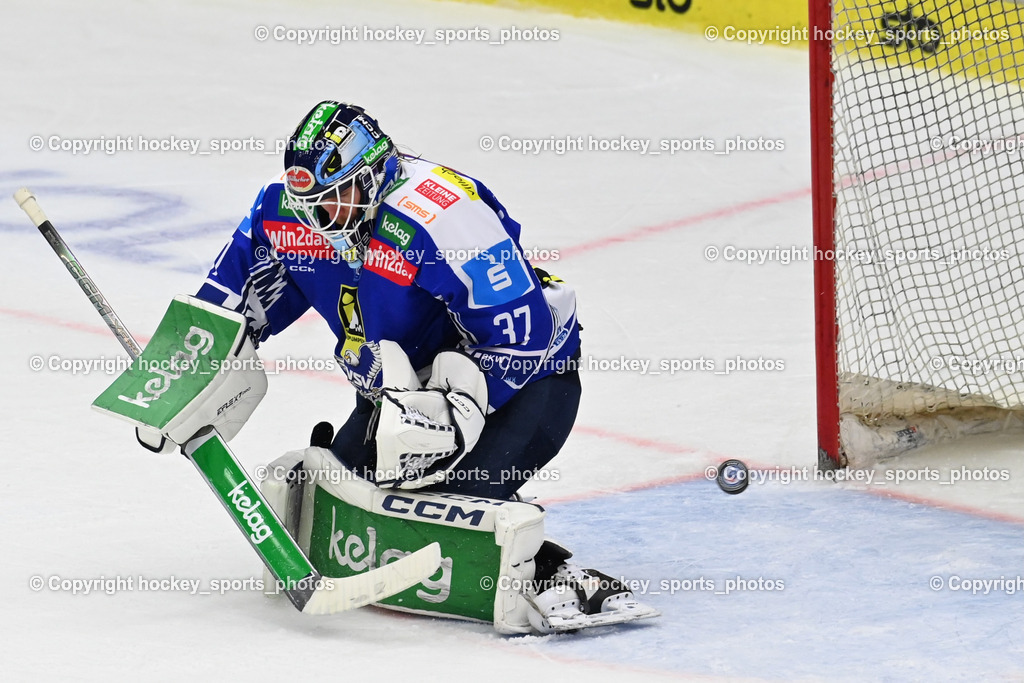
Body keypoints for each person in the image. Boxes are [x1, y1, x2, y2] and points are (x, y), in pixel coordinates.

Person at [195, 101, 582, 499]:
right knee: (337, 501)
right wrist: (184, 369)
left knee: (445, 509)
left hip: (527, 380)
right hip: (399, 393)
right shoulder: (283, 208)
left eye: (337, 195)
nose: (320, 220)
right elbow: (222, 307)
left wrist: (447, 415)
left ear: (373, 174)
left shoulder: (443, 215)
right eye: (309, 205)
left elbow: (524, 333)